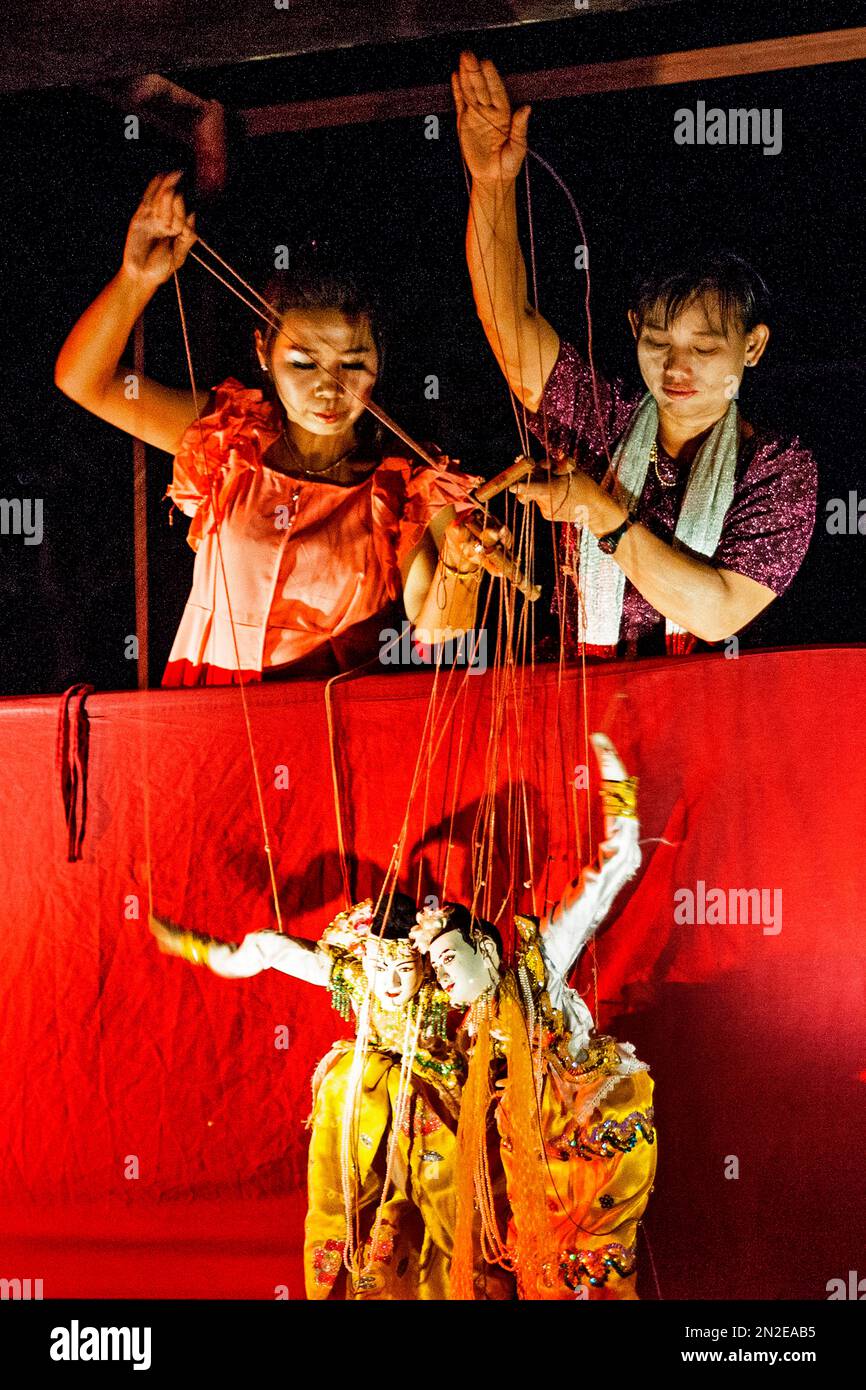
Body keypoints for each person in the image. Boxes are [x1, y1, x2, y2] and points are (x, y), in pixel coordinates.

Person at [55, 171, 504, 684]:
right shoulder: (230, 439)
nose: (329, 388)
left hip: (331, 742)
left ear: (381, 361)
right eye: (304, 363)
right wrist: (135, 279)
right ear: (263, 352)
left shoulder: (406, 485)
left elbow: (439, 628)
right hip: (207, 732)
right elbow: (83, 381)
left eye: (353, 363)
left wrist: (464, 567)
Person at [452, 52, 817, 658]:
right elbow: (507, 322)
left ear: (752, 346)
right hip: (588, 703)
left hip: (715, 717)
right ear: (632, 328)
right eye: (658, 341)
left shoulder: (776, 466)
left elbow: (717, 611)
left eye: (705, 347)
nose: (677, 369)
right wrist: (492, 184)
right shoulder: (604, 420)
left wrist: (605, 515)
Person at [411, 733, 656, 1299]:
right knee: (537, 1266)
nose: (441, 973)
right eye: (434, 964)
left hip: (588, 1131)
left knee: (594, 1264)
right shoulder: (472, 1024)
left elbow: (619, 861)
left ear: (488, 950)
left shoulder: (538, 960)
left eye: (448, 957)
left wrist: (616, 784)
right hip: (532, 1155)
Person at [149, 890, 472, 1299]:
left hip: (431, 1089)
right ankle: (346, 1278)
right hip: (362, 1088)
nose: (389, 983)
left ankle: (451, 1279)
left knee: (444, 1195)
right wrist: (200, 949)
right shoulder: (353, 976)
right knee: (344, 1186)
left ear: (422, 962)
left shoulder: (441, 985)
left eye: (403, 968)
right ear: (364, 958)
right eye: (379, 966)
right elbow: (269, 948)